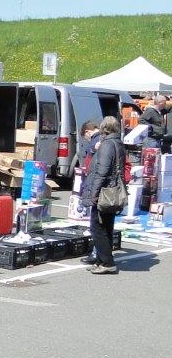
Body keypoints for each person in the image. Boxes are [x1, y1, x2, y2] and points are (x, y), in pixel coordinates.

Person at [80, 115, 125, 275]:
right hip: (112, 190)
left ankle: (107, 262)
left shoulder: (106, 144)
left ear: (104, 128)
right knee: (106, 226)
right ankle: (101, 260)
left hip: (104, 191)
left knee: (98, 227)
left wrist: (94, 193)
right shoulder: (118, 143)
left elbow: (102, 171)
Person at [79, 120, 101, 265]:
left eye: (85, 136)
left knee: (97, 223)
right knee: (101, 222)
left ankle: (97, 254)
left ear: (88, 131)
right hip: (99, 186)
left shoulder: (97, 141)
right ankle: (100, 254)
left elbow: (95, 167)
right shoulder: (108, 141)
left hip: (97, 186)